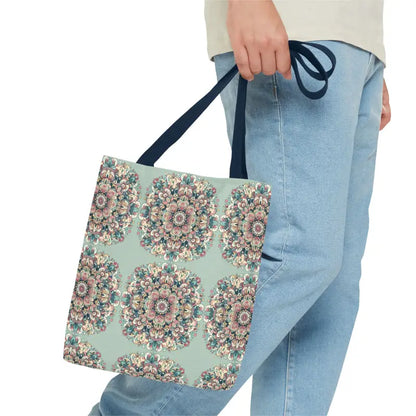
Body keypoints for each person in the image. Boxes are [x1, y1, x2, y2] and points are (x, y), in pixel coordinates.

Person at [89, 0, 391, 414]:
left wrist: (365, 50)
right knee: (296, 256)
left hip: (353, 40)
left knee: (329, 291)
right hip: (294, 23)